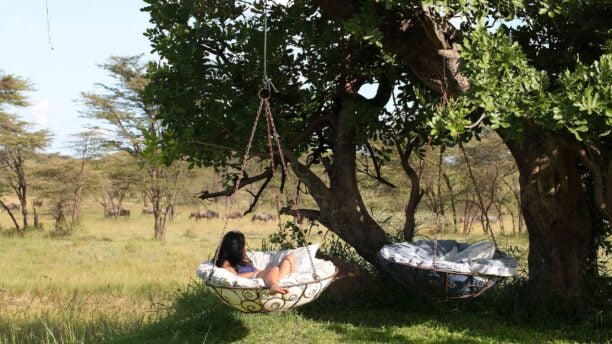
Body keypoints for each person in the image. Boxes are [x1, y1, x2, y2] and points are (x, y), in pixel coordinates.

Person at [215, 231, 295, 294]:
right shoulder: (226, 262)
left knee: (290, 258)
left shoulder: (241, 258)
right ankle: (274, 285)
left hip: (258, 274)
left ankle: (275, 279)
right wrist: (255, 273)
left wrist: (259, 271)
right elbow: (235, 277)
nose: (246, 247)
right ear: (236, 247)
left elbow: (254, 269)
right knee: (274, 270)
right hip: (252, 278)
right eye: (244, 244)